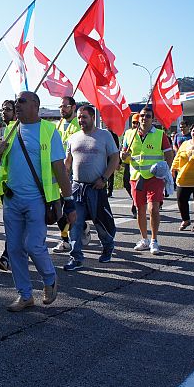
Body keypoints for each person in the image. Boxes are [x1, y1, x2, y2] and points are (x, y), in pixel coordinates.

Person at [0, 91, 74, 311]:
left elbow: (59, 169)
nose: (16, 105)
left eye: (21, 101)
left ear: (35, 105)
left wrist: (69, 201)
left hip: (38, 200)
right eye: (16, 101)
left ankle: (50, 279)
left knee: (33, 245)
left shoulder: (49, 131)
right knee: (15, 248)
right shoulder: (10, 131)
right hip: (11, 199)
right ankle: (25, 295)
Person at [62, 105, 119, 270]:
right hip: (76, 188)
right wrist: (64, 182)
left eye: (84, 117)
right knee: (74, 222)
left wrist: (104, 178)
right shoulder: (73, 138)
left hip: (96, 188)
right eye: (79, 117)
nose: (81, 120)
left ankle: (108, 246)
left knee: (101, 222)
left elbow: (115, 158)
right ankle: (76, 258)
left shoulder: (105, 135)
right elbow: (67, 162)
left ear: (93, 117)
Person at [121, 107, 174, 255]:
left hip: (154, 178)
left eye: (148, 116)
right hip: (136, 177)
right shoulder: (129, 134)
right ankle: (144, 239)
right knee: (140, 209)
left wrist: (164, 170)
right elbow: (124, 157)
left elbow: (169, 155)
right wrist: (123, 156)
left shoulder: (160, 135)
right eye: (142, 116)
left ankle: (154, 240)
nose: (144, 118)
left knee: (153, 209)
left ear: (153, 119)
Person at [52, 95, 82, 253]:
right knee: (57, 209)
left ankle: (79, 228)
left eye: (65, 106)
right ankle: (65, 239)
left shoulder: (79, 125)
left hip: (71, 174)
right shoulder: (58, 125)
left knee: (68, 209)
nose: (62, 109)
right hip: (57, 172)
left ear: (73, 107)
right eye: (60, 106)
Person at [0, 100, 16, 271]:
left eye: (7, 109)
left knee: (14, 224)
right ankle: (11, 255)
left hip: (17, 185)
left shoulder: (20, 130)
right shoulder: (1, 132)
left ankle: (7, 257)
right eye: (2, 109)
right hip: (4, 186)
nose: (3, 112)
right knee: (12, 224)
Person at [121, 114, 140, 217]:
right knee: (126, 183)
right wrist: (123, 154)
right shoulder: (128, 133)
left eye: (138, 122)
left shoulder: (144, 134)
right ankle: (135, 198)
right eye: (134, 123)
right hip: (129, 163)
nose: (136, 125)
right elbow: (124, 147)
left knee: (137, 186)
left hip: (141, 165)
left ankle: (135, 205)